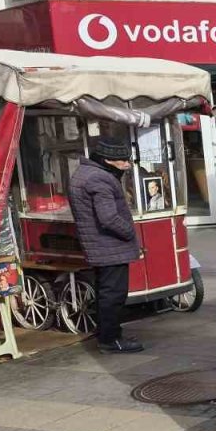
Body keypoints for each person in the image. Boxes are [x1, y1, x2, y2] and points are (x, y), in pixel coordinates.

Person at [68, 136, 144, 353]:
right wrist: (130, 232)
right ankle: (110, 340)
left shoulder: (84, 173)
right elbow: (108, 218)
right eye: (123, 161)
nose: (127, 165)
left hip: (101, 247)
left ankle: (108, 335)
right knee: (114, 295)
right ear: (108, 161)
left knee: (106, 293)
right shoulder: (100, 179)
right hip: (110, 247)